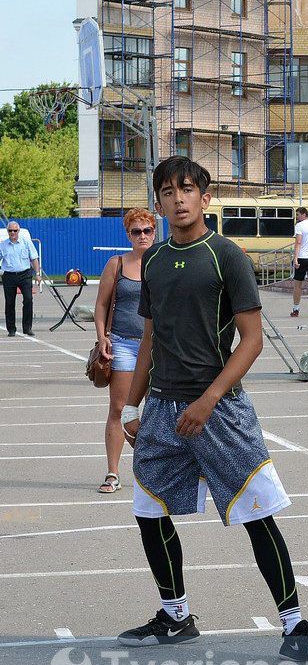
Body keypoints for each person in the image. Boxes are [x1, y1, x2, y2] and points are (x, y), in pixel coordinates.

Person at [118, 156, 308, 663]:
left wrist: (208, 399)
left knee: (257, 513)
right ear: (157, 202)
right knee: (148, 510)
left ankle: (296, 625)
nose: (178, 198)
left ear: (205, 195)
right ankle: (175, 616)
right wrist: (131, 406)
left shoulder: (226, 256)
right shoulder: (152, 262)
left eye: (188, 189)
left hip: (219, 410)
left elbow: (253, 340)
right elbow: (149, 339)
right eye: (168, 191)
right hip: (161, 409)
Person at [93, 208, 156, 494]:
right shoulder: (116, 263)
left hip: (158, 347)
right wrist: (102, 337)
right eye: (136, 231)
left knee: (159, 410)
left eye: (147, 230)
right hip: (123, 344)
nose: (142, 236)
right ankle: (113, 473)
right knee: (119, 409)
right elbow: (102, 305)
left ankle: (154, 470)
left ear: (154, 232)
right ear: (128, 235)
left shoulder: (163, 261)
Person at [1, 221, 41, 337]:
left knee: (28, 299)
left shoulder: (26, 242)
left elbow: (34, 258)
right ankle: (11, 329)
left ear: (18, 231)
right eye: (10, 231)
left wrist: (37, 273)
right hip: (9, 275)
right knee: (9, 303)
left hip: (25, 274)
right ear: (7, 231)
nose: (12, 233)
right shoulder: (3, 245)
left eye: (15, 230)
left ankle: (27, 328)